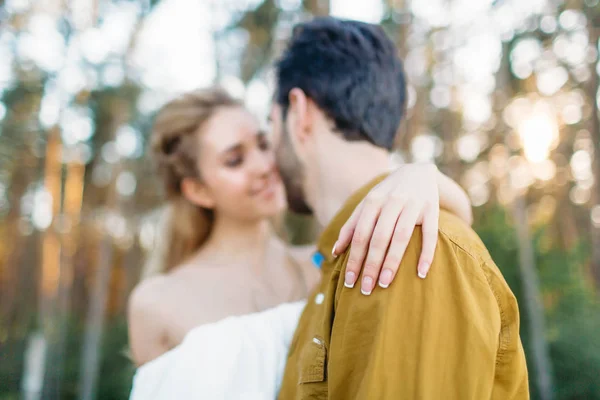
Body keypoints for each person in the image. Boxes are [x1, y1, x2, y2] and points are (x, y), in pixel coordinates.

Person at [272, 17, 529, 399]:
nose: (268, 151)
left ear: (299, 114)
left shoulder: (405, 245)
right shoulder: (340, 265)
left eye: (269, 124)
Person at [127, 87, 474, 367]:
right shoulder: (156, 303)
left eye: (264, 144)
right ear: (198, 190)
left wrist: (423, 177)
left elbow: (458, 236)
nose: (265, 164)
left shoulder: (327, 262)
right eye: (235, 159)